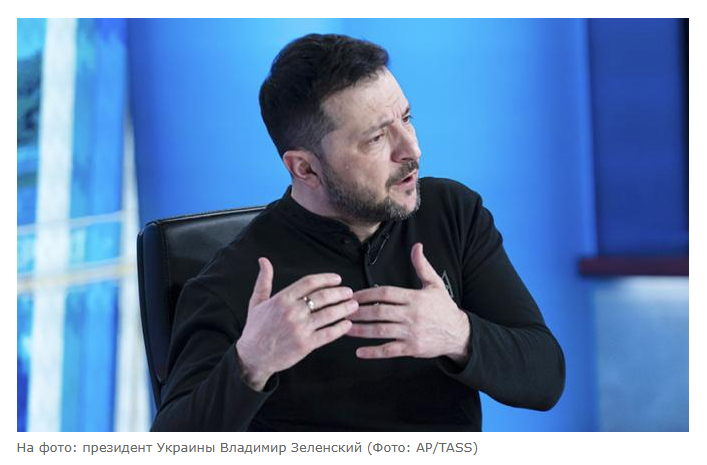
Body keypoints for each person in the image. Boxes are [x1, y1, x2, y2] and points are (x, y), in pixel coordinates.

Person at [151, 33, 565, 432]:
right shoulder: (232, 280)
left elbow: (546, 378)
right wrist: (251, 363)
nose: (412, 150)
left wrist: (460, 335)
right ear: (305, 168)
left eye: (406, 119)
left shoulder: (452, 212)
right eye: (377, 138)